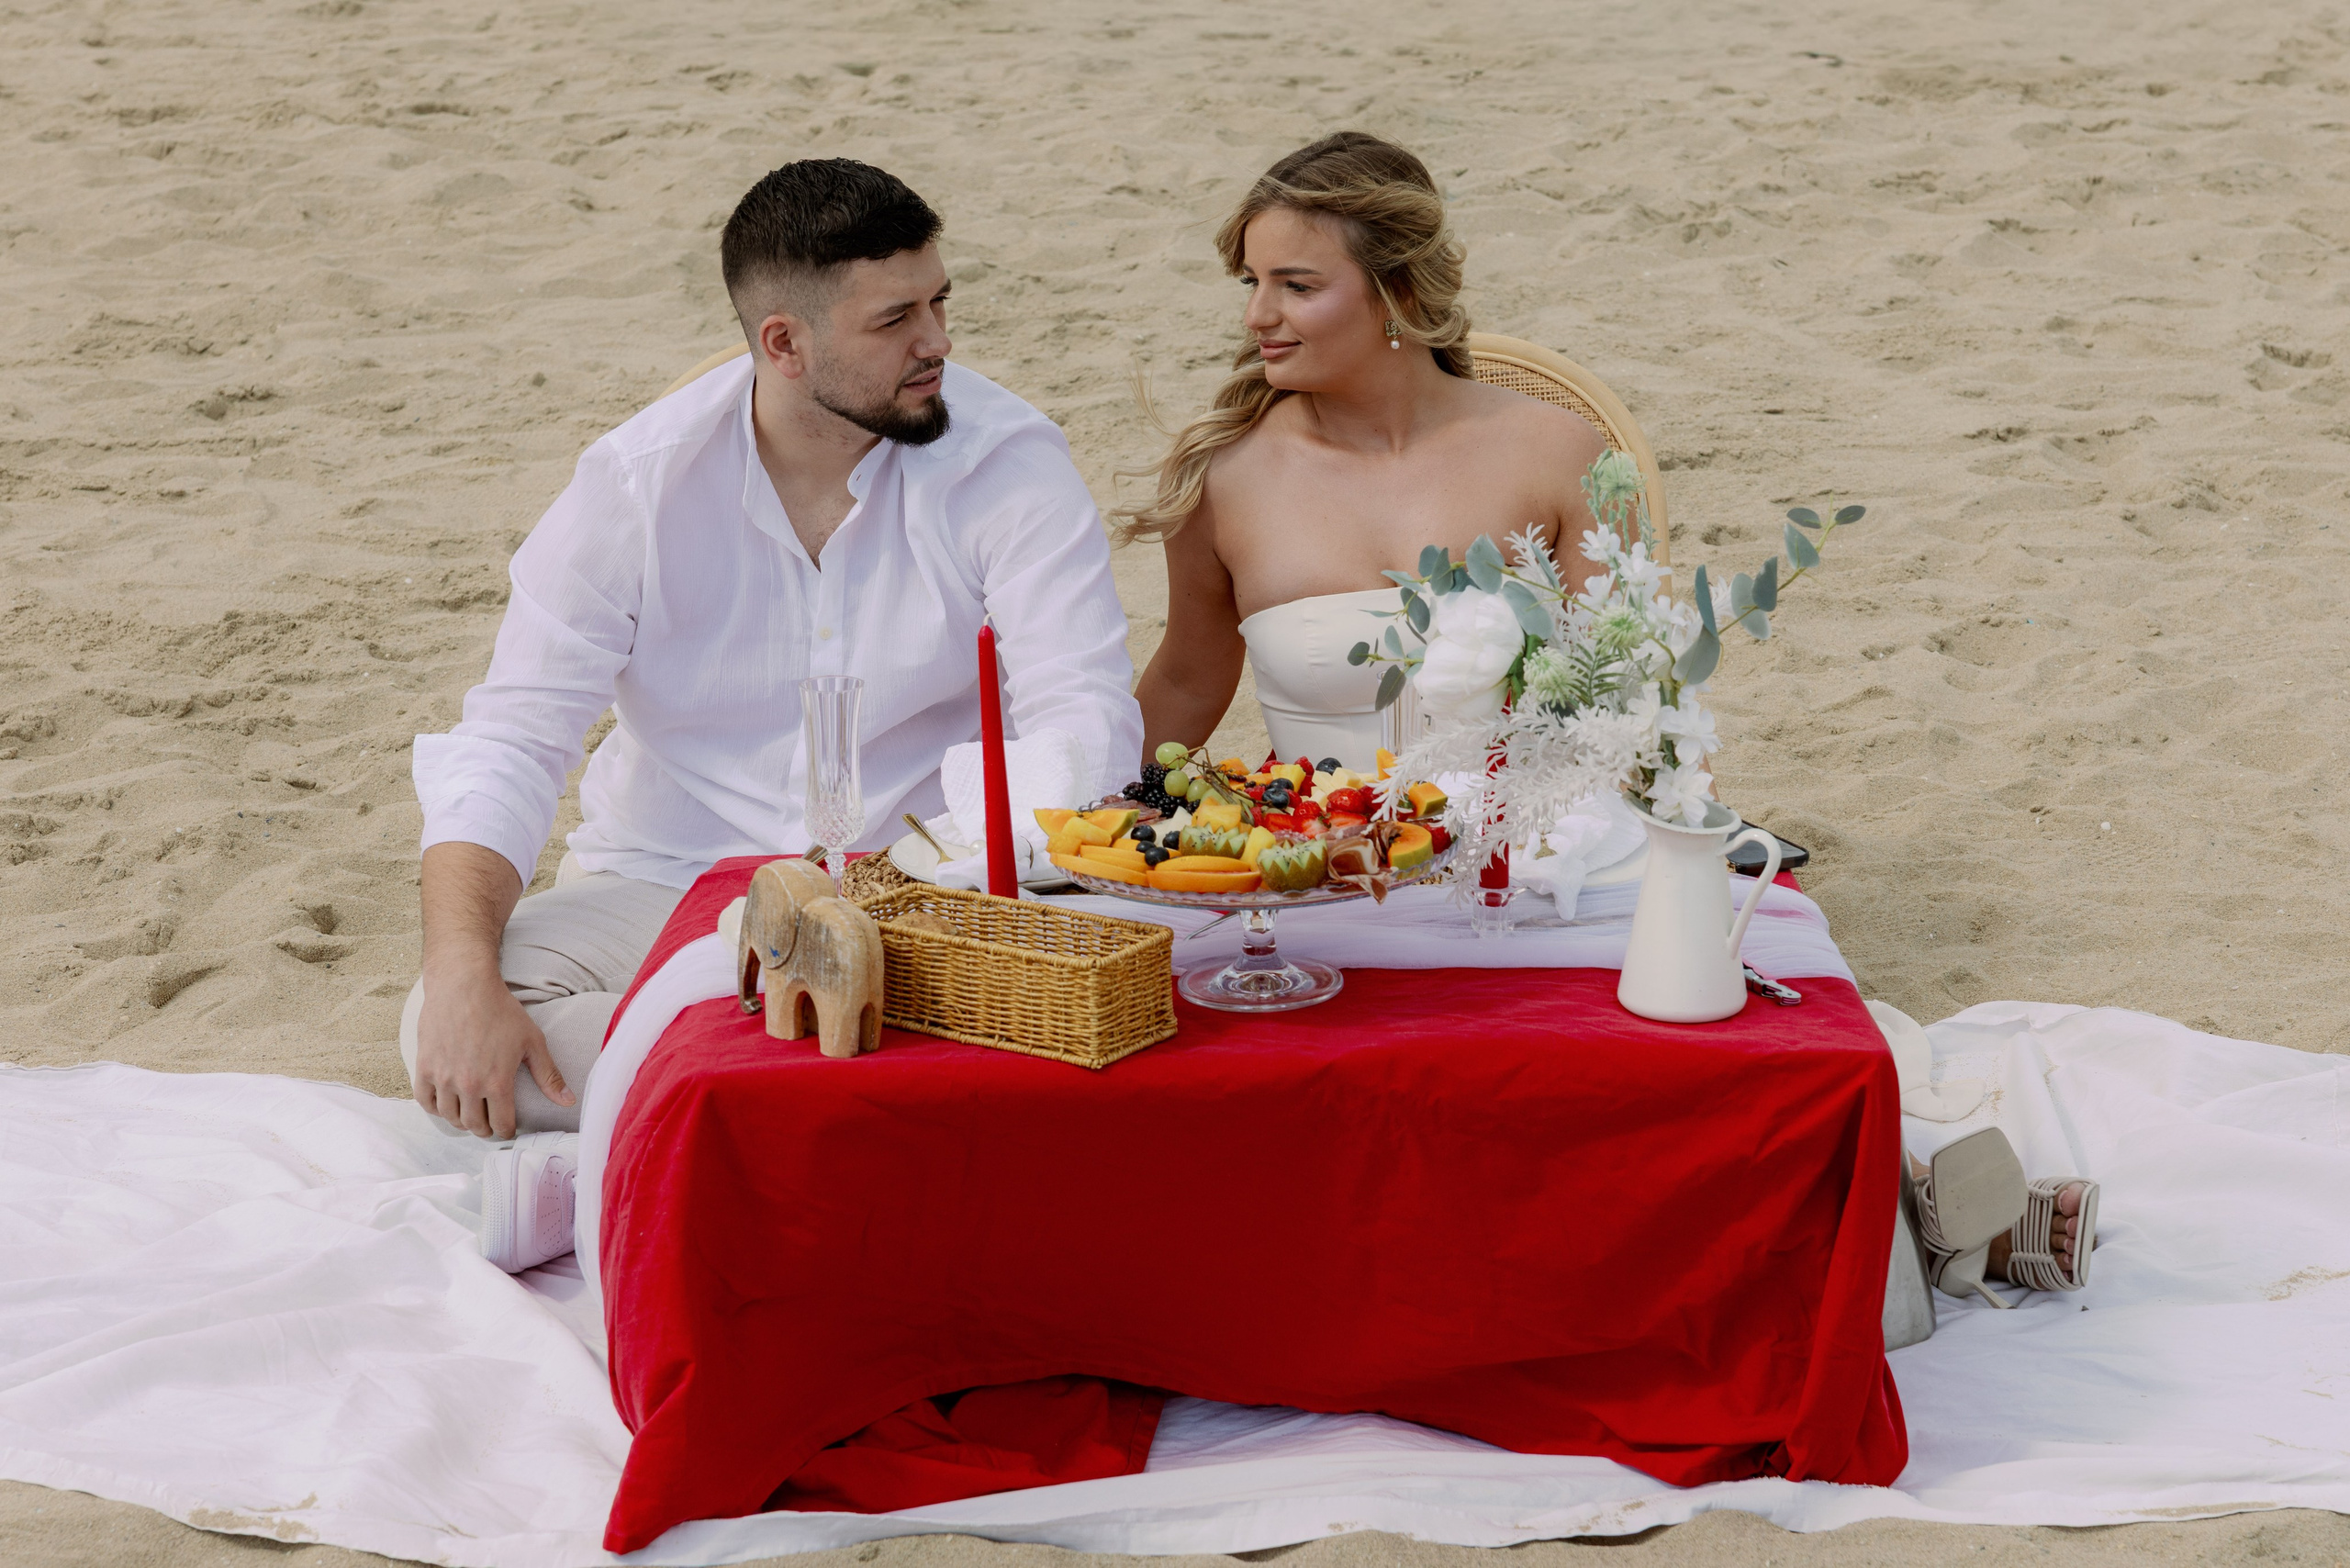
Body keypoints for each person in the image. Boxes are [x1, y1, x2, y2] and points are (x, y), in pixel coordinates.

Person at [1121, 129, 2095, 1305]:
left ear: (1397, 293)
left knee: (1713, 1025)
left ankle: (1919, 1200)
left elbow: (1632, 692)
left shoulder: (1555, 451)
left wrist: (1635, 824)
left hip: (1541, 866)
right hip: (1322, 890)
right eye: (1250, 283)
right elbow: (1186, 683)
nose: (1257, 318)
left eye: (1294, 284)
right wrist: (1064, 815)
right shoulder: (1225, 478)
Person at [401, 159, 1142, 1264]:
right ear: (783, 344)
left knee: (1060, 1022)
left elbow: (1080, 710)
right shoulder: (636, 483)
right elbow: (513, 735)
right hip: (665, 883)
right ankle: (833, 1091)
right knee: (448, 1015)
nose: (937, 341)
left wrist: (977, 898)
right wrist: (461, 968)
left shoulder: (1009, 462)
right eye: (894, 319)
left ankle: (652, 1131)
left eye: (939, 302)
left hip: (914, 895)